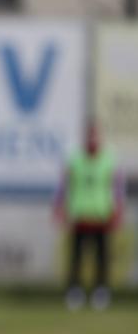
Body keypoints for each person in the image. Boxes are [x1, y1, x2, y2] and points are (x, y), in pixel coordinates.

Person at [54, 122, 125, 311]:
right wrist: (59, 207)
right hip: (80, 214)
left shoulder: (109, 159)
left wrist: (118, 211)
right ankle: (74, 291)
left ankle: (100, 292)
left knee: (102, 257)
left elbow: (117, 189)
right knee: (76, 257)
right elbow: (64, 185)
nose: (92, 139)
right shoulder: (74, 159)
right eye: (89, 135)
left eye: (95, 135)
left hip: (102, 215)